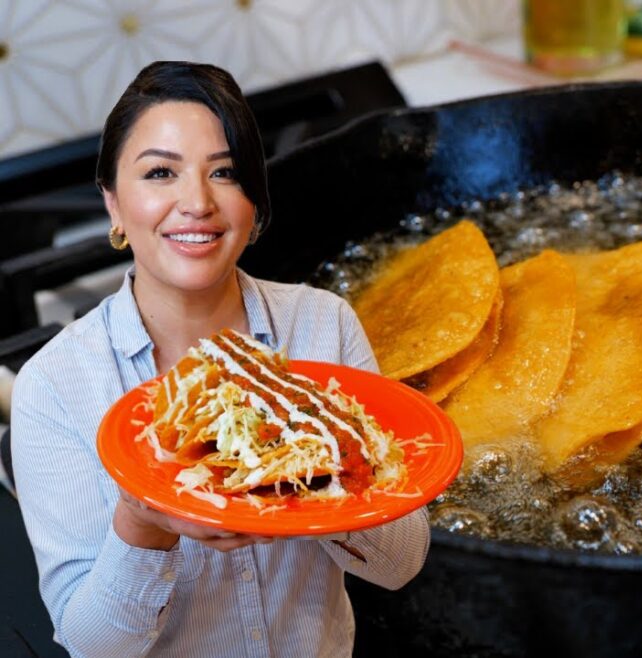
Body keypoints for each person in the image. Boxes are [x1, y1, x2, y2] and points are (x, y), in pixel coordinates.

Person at [10, 61, 430, 657]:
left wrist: (320, 464)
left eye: (225, 173)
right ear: (113, 206)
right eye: (160, 172)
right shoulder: (55, 386)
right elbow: (90, 646)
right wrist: (143, 524)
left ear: (253, 202)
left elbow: (402, 564)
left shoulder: (321, 324)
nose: (197, 202)